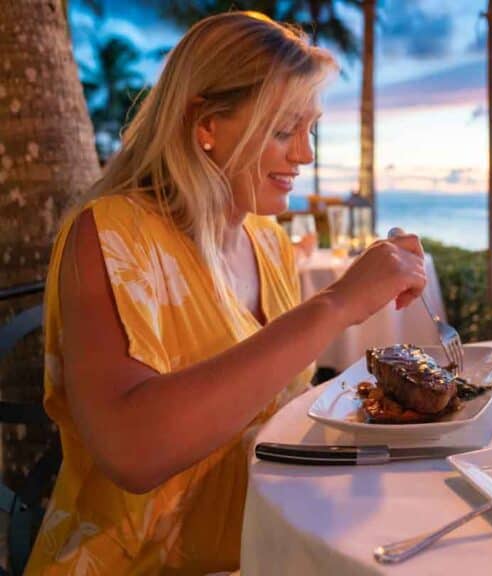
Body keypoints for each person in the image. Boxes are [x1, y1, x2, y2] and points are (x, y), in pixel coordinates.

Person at [25, 12, 426, 574]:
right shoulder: (112, 235)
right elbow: (132, 451)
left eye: (309, 129)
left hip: (261, 546)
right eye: (283, 130)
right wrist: (335, 304)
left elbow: (275, 412)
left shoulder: (266, 241)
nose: (304, 156)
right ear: (206, 124)